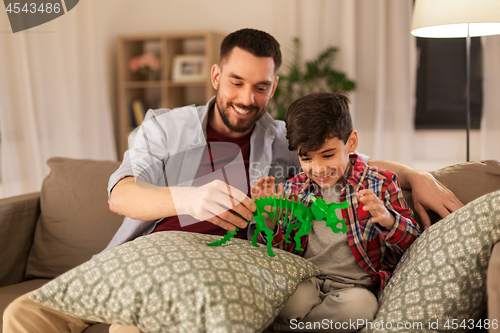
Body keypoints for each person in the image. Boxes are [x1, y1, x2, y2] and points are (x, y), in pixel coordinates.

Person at [3, 28, 460, 333]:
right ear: (216, 75)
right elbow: (121, 195)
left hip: (222, 264)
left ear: (274, 87)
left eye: (260, 87)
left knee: (130, 326)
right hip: (149, 251)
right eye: (236, 82)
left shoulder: (281, 140)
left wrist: (416, 175)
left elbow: (341, 160)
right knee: (22, 313)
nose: (246, 99)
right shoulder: (164, 128)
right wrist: (190, 199)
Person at [250, 91, 420, 332]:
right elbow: (281, 255)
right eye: (306, 158)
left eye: (328, 155)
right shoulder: (293, 189)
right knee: (286, 299)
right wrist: (269, 220)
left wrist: (387, 219)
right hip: (307, 281)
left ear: (351, 143)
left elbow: (412, 242)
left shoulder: (380, 183)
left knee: (361, 309)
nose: (317, 168)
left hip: (355, 289)